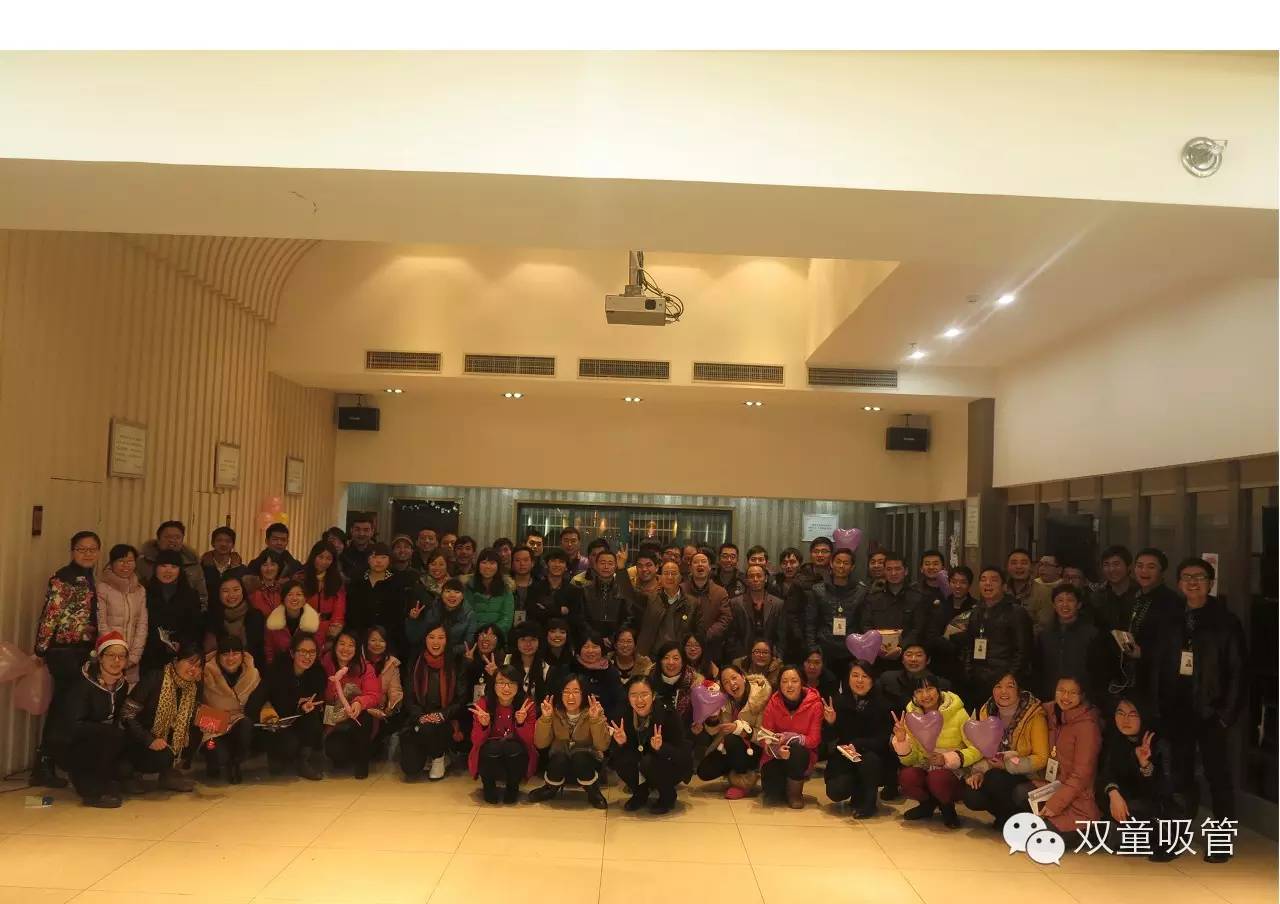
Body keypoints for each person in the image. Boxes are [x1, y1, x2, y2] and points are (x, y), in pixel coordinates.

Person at [1146, 557, 1246, 862]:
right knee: (1178, 777)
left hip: (1211, 712)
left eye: (1199, 577)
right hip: (1176, 710)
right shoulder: (1170, 619)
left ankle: (1221, 843)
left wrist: (1226, 715)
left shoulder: (1225, 621)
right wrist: (1157, 707)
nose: (1192, 582)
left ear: (1210, 583)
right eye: (1186, 577)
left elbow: (1238, 672)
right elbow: (1156, 666)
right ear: (1178, 583)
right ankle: (1174, 839)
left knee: (1218, 778)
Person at [960, 672, 1048, 828]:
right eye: (998, 686)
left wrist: (1007, 765)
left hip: (1027, 775)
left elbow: (1041, 758)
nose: (1003, 691)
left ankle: (1014, 819)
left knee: (995, 779)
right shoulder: (986, 710)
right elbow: (983, 749)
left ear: (1019, 690)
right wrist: (978, 772)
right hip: (994, 771)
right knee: (971, 794)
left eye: (1010, 686)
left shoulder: (1034, 714)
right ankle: (1005, 816)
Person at [1098, 693, 1181, 861]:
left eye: (1132, 714)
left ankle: (1162, 839)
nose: (1125, 720)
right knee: (1103, 795)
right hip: (1131, 802)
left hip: (1161, 808)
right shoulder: (1116, 740)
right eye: (1120, 713)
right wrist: (1113, 793)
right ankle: (1138, 838)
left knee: (1136, 807)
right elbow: (1106, 773)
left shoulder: (1160, 742)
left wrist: (1145, 765)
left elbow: (1165, 789)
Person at [53, 630, 131, 807]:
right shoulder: (84, 683)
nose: (116, 661)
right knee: (112, 735)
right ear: (100, 657)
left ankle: (106, 781)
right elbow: (72, 726)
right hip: (75, 743)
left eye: (121, 656)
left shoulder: (122, 684)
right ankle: (91, 790)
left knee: (124, 760)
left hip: (104, 741)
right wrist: (106, 731)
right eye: (111, 655)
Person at [889, 677, 980, 828]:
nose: (925, 695)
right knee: (907, 777)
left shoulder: (958, 713)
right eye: (919, 691)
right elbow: (908, 761)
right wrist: (901, 740)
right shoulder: (911, 716)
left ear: (938, 691)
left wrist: (947, 758)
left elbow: (976, 748)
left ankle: (947, 807)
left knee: (937, 778)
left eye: (930, 689)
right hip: (925, 767)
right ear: (914, 695)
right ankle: (927, 805)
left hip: (953, 772)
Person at [122, 642, 204, 792]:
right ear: (176, 661)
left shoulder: (194, 687)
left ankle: (169, 774)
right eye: (190, 662)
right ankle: (130, 774)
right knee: (160, 754)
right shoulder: (155, 678)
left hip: (164, 740)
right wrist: (148, 740)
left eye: (199, 666)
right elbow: (127, 715)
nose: (194, 669)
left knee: (196, 731)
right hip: (138, 737)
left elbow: (192, 716)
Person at [609, 675, 694, 813]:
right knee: (621, 759)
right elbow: (617, 753)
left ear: (653, 696)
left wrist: (662, 748)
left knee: (649, 762)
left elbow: (682, 753)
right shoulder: (622, 714)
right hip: (642, 762)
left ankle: (667, 796)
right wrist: (621, 743)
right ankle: (640, 793)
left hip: (669, 764)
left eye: (644, 694)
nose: (639, 700)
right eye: (634, 695)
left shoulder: (668, 714)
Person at [1032, 675, 1102, 835]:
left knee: (1039, 836)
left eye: (1072, 693)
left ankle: (1088, 832)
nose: (1065, 696)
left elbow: (1081, 776)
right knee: (1019, 794)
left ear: (1082, 696)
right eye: (1061, 690)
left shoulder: (1088, 727)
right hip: (1053, 786)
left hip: (1078, 800)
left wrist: (1055, 803)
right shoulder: (1049, 713)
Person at [528, 675, 611, 808]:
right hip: (561, 760)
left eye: (576, 692)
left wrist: (595, 719)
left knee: (580, 757)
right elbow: (540, 743)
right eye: (566, 692)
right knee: (559, 758)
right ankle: (550, 789)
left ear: (584, 694)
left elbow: (602, 746)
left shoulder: (594, 710)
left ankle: (593, 792)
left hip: (587, 762)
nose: (570, 697)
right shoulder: (553, 711)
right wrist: (546, 718)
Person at [823, 660, 893, 817]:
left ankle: (869, 803)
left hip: (872, 756)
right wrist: (831, 723)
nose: (859, 680)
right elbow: (828, 738)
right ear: (848, 678)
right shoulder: (839, 701)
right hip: (845, 756)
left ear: (872, 680)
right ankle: (857, 790)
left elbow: (883, 739)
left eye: (865, 676)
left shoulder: (882, 704)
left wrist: (859, 744)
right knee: (836, 791)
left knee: (870, 761)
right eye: (855, 675)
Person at [955, 565, 1033, 705]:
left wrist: (1010, 677)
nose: (988, 583)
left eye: (994, 580)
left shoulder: (1016, 612)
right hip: (977, 680)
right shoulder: (976, 612)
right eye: (983, 579)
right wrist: (968, 671)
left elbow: (1023, 651)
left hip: (1004, 680)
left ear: (1004, 586)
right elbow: (969, 645)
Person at [400, 625, 467, 781]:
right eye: (431, 637)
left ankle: (439, 757)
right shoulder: (415, 661)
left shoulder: (457, 662)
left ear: (447, 640)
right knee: (410, 768)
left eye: (441, 637)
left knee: (431, 728)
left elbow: (461, 699)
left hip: (447, 719)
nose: (436, 642)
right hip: (419, 717)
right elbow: (409, 697)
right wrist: (420, 716)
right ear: (425, 640)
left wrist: (441, 715)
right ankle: (428, 753)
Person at [694, 664, 770, 798]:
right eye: (726, 682)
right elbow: (715, 731)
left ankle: (743, 781)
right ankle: (734, 771)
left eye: (734, 678)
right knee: (704, 771)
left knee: (732, 739)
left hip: (756, 749)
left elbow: (765, 736)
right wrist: (712, 719)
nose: (732, 684)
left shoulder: (760, 698)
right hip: (729, 746)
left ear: (743, 677)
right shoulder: (725, 699)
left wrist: (741, 730)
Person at [257, 632, 325, 780]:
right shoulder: (277, 671)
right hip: (276, 723)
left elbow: (316, 700)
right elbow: (260, 700)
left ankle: (303, 761)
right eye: (303, 651)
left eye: (312, 652)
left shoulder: (317, 673)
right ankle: (276, 756)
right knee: (281, 760)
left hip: (300, 721)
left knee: (313, 716)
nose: (307, 656)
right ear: (292, 653)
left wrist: (304, 706)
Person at [469, 665, 538, 804]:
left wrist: (520, 724)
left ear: (518, 685)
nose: (506, 688)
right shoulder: (483, 703)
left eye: (511, 683)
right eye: (501, 683)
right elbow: (476, 742)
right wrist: (484, 725)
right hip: (490, 754)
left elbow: (530, 741)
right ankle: (488, 786)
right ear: (493, 685)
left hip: (516, 754)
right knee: (491, 748)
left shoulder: (527, 704)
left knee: (513, 748)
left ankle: (513, 787)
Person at [759, 665, 824, 808]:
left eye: (794, 681)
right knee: (772, 796)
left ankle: (795, 793)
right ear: (779, 684)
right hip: (775, 756)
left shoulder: (815, 704)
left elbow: (814, 740)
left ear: (802, 683)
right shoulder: (773, 703)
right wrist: (777, 750)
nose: (789, 685)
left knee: (798, 750)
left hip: (801, 755)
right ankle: (783, 787)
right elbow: (764, 736)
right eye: (784, 681)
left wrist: (791, 737)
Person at [199, 634, 261, 784]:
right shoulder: (205, 673)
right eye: (225, 654)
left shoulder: (252, 674)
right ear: (218, 656)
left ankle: (235, 763)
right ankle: (214, 761)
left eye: (235, 653)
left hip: (239, 726)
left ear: (242, 655)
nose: (231, 658)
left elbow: (259, 701)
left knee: (246, 724)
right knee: (216, 753)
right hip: (212, 728)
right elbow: (197, 709)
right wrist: (224, 722)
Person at [1035, 584, 1111, 704]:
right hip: (1050, 698)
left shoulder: (1092, 634)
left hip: (1083, 699)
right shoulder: (1044, 635)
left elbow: (1100, 672)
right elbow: (1039, 669)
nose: (1065, 605)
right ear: (1053, 605)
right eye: (1060, 600)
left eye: (1070, 600)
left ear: (1079, 604)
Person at [321, 630, 380, 779]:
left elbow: (373, 695)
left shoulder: (365, 667)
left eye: (351, 645)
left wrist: (359, 703)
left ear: (357, 649)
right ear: (335, 646)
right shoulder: (326, 664)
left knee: (364, 716)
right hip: (335, 721)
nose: (345, 649)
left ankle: (362, 762)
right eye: (342, 644)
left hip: (357, 719)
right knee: (335, 750)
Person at [855, 550, 928, 666]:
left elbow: (917, 629)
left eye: (898, 569)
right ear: (884, 571)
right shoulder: (872, 598)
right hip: (877, 656)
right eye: (889, 569)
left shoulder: (917, 598)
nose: (893, 573)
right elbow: (866, 624)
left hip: (907, 657)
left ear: (906, 571)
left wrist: (901, 647)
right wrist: (876, 645)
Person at [346, 542, 415, 659]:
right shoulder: (357, 580)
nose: (378, 561)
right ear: (368, 559)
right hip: (360, 636)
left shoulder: (398, 581)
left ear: (389, 560)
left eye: (383, 557)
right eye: (374, 557)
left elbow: (399, 614)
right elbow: (351, 611)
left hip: (389, 638)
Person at [140, 549, 204, 674]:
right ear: (156, 568)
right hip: (149, 655)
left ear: (180, 570)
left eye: (174, 567)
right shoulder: (143, 592)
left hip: (181, 656)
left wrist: (181, 643)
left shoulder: (191, 595)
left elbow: (195, 626)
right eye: (163, 566)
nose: (168, 571)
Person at [96, 543, 148, 685]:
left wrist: (134, 656)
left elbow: (142, 624)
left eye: (130, 561)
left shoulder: (140, 590)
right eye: (121, 561)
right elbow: (101, 623)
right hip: (109, 655)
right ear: (112, 563)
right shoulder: (102, 588)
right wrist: (116, 653)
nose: (126, 565)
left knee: (127, 692)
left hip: (132, 658)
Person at [806, 547, 862, 674]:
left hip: (851, 651)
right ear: (831, 563)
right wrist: (812, 649)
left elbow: (863, 623)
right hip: (824, 649)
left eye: (846, 563)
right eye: (838, 562)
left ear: (852, 567)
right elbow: (810, 622)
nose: (841, 566)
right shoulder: (818, 590)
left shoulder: (861, 592)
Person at [137, 521, 209, 610]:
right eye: (167, 537)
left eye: (177, 537)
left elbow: (202, 596)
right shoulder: (143, 562)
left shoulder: (193, 564)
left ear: (182, 540)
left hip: (185, 613)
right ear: (158, 539)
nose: (172, 540)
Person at [634, 560, 697, 656]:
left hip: (681, 657)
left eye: (674, 573)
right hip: (654, 657)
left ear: (680, 577)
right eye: (666, 573)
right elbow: (628, 595)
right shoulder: (650, 600)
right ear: (660, 577)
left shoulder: (692, 603)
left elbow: (697, 634)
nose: (670, 577)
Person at [725, 563, 784, 663]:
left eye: (759, 576)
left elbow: (781, 636)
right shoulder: (735, 603)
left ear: (766, 578)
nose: (755, 579)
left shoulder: (778, 604)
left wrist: (778, 658)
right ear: (746, 580)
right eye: (751, 576)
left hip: (771, 658)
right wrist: (738, 658)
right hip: (742, 657)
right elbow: (731, 635)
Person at [681, 551, 732, 662]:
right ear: (690, 568)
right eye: (696, 562)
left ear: (709, 568)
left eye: (703, 561)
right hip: (683, 647)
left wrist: (706, 635)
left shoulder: (720, 592)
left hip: (711, 648)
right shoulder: (681, 590)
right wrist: (688, 638)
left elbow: (725, 618)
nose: (700, 564)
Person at [205, 573, 266, 666]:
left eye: (236, 590)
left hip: (251, 668)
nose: (231, 595)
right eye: (225, 591)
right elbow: (208, 653)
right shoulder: (210, 617)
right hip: (217, 669)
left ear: (243, 591)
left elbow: (260, 651)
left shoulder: (255, 616)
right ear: (218, 594)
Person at [932, 565, 977, 685]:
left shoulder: (976, 609)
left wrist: (950, 637)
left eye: (963, 582)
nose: (958, 586)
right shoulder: (938, 607)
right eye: (954, 582)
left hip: (966, 668)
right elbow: (931, 637)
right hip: (941, 665)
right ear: (949, 583)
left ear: (969, 585)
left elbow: (975, 637)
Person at [581, 548, 638, 642]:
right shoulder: (585, 590)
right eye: (602, 563)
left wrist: (615, 637)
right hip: (591, 641)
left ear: (615, 566)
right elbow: (582, 619)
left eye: (610, 563)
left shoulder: (623, 590)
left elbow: (630, 616)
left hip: (618, 641)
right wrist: (595, 638)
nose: (606, 566)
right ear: (595, 565)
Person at [878, 642, 952, 713]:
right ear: (902, 660)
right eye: (909, 655)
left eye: (919, 655)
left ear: (928, 660)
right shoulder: (888, 679)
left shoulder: (942, 685)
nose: (913, 659)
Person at [299, 540, 346, 651]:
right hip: (304, 627)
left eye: (328, 558)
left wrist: (333, 635)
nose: (324, 562)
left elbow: (339, 609)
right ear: (313, 557)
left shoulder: (337, 580)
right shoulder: (301, 578)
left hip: (328, 629)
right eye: (320, 557)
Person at [526, 548, 586, 635]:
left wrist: (546, 610)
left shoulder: (574, 589)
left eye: (561, 562)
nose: (557, 565)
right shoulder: (535, 587)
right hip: (540, 634)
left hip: (566, 634)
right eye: (553, 561)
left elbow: (575, 618)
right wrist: (559, 611)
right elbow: (532, 613)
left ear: (566, 567)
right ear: (547, 564)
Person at [409, 577, 475, 651]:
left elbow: (468, 644)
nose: (452, 595)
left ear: (462, 596)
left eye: (457, 592)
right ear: (441, 594)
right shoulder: (433, 609)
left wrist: (447, 650)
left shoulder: (469, 614)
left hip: (454, 654)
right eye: (448, 591)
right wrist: (413, 620)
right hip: (430, 651)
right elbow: (415, 639)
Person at [264, 580, 321, 665]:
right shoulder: (272, 623)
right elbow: (269, 651)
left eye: (299, 594)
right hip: (281, 665)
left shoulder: (314, 621)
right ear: (283, 599)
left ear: (305, 599)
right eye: (290, 594)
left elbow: (317, 649)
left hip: (307, 665)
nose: (294, 598)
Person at [364, 625, 405, 744]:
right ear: (366, 642)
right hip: (361, 707)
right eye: (373, 640)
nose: (377, 644)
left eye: (381, 641)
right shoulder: (359, 660)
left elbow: (395, 690)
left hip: (380, 710)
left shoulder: (391, 663)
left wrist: (390, 707)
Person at [770, 547, 809, 663]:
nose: (788, 566)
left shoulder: (807, 584)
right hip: (778, 636)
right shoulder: (774, 584)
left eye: (792, 562)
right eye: (784, 563)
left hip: (800, 636)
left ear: (799, 564)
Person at [572, 630, 622, 718]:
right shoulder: (571, 668)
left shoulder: (610, 671)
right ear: (579, 649)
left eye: (595, 647)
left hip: (602, 719)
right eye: (586, 647)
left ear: (602, 649)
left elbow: (618, 702)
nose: (590, 651)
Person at [466, 548, 515, 635]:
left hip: (498, 636)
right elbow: (467, 616)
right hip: (474, 635)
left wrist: (492, 632)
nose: (487, 566)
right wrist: (480, 634)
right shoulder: (469, 587)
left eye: (492, 563)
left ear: (498, 566)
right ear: (478, 565)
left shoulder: (506, 588)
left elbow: (507, 619)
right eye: (484, 562)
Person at [650, 641, 699, 727]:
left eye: (675, 658)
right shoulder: (649, 678)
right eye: (666, 658)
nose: (671, 662)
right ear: (660, 661)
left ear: (683, 662)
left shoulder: (694, 682)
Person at [1091, 545, 1137, 631]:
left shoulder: (1141, 593)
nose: (1111, 569)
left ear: (1128, 567)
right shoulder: (1098, 597)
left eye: (1116, 564)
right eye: (1106, 565)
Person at [505, 620, 552, 700]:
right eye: (523, 639)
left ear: (539, 642)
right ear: (516, 641)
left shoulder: (546, 668)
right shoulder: (506, 661)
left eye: (533, 639)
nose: (528, 644)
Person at [1005, 548, 1050, 627]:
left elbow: (1044, 626)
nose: (1019, 566)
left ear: (1031, 567)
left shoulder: (1044, 592)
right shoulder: (1000, 590)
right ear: (1007, 567)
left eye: (1024, 563)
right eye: (1014, 563)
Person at [200, 526, 244, 603]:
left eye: (228, 541)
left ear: (233, 545)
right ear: (213, 543)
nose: (223, 544)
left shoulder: (241, 570)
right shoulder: (201, 568)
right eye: (219, 540)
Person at [246, 550, 285, 620]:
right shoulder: (251, 592)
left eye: (273, 564)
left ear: (279, 567)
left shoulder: (284, 590)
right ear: (259, 568)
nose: (269, 569)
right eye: (265, 565)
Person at [542, 618, 575, 687]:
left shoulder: (574, 655)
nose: (557, 635)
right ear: (546, 634)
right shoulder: (538, 656)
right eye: (553, 631)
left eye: (562, 632)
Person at [510, 544, 537, 616]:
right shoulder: (506, 585)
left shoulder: (540, 585)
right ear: (512, 564)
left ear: (532, 563)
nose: (522, 564)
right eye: (517, 560)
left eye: (526, 560)